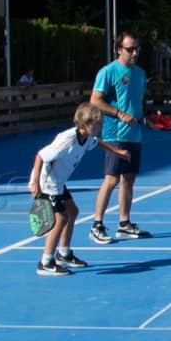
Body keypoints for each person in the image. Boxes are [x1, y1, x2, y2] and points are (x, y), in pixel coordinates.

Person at [30, 104, 110, 276]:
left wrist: (118, 151)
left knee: (73, 211)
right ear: (86, 123)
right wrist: (35, 183)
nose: (101, 126)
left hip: (58, 181)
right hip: (48, 182)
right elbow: (40, 156)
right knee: (61, 218)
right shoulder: (67, 139)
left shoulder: (87, 137)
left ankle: (63, 254)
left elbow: (97, 143)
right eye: (98, 123)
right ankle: (45, 262)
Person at [89, 35, 149, 245]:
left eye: (137, 49)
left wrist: (149, 116)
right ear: (118, 50)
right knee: (112, 178)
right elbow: (95, 100)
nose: (135, 53)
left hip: (134, 133)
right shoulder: (108, 72)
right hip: (115, 133)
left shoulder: (140, 74)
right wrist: (120, 114)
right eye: (130, 49)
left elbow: (138, 102)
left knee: (129, 178)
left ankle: (124, 224)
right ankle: (97, 225)